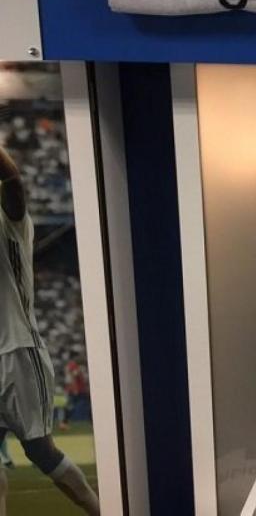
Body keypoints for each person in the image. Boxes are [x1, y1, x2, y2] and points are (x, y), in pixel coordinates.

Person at [0, 144, 100, 515]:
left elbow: (14, 183)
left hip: (19, 352)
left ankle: (98, 508)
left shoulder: (10, 221)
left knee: (40, 451)